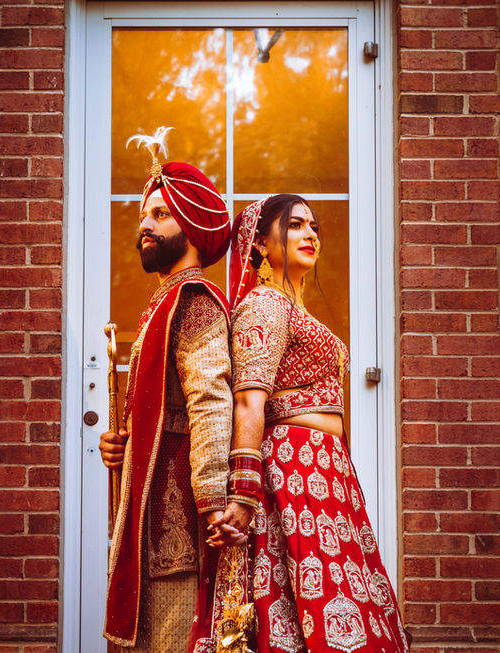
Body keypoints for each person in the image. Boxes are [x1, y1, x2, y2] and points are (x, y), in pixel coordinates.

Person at [227, 194, 408, 652]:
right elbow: (248, 399)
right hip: (293, 470)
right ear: (261, 245)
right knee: (305, 601)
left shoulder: (292, 308)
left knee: (339, 595)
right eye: (294, 225)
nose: (310, 234)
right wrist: (244, 491)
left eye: (314, 226)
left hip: (324, 472)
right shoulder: (265, 305)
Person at [99, 130, 247, 651]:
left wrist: (212, 503)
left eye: (160, 215)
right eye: (144, 215)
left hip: (180, 529)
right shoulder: (161, 305)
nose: (144, 224)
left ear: (192, 227)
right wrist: (121, 445)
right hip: (151, 522)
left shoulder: (196, 300)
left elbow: (211, 404)